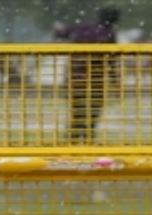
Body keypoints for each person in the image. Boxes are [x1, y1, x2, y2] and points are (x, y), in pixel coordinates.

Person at [54, 7, 122, 143]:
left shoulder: (83, 28)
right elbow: (111, 60)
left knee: (77, 110)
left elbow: (60, 32)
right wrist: (115, 81)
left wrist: (59, 26)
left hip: (75, 76)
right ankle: (88, 139)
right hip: (95, 78)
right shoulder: (109, 34)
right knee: (93, 111)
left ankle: (72, 140)